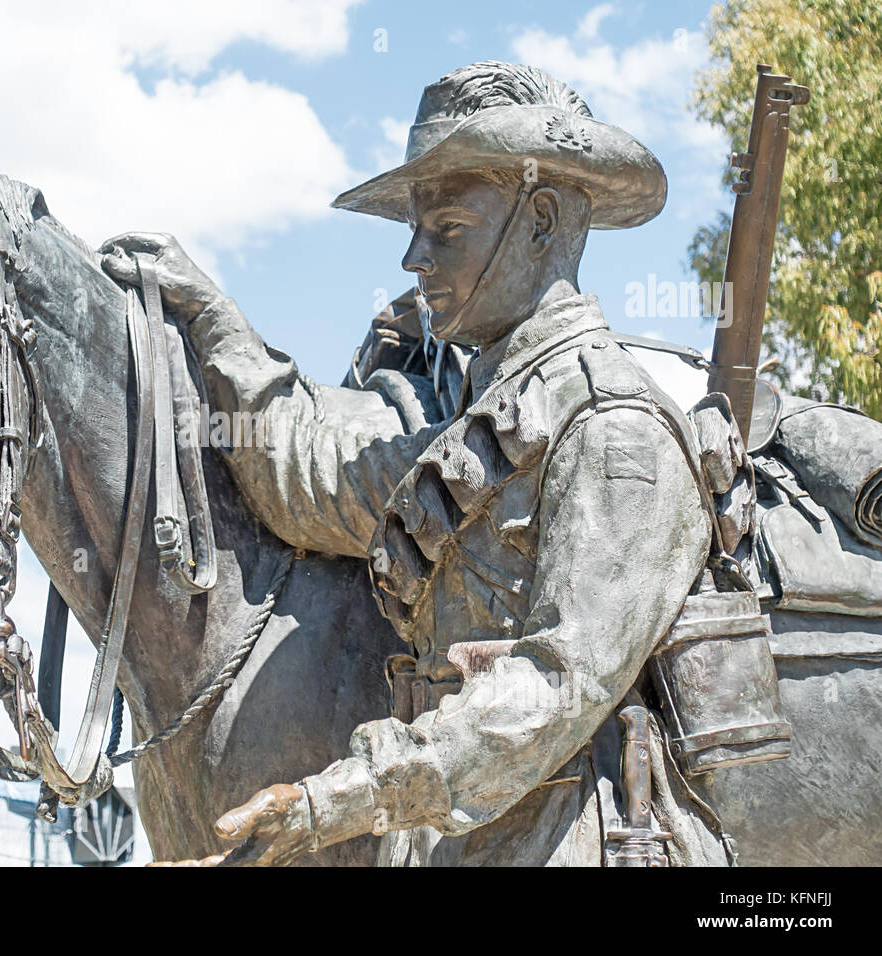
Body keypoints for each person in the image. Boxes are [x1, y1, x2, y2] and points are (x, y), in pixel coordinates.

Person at [101, 62, 734, 866]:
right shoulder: (480, 427)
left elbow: (551, 689)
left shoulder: (615, 429)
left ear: (541, 221)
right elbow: (308, 475)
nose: (412, 259)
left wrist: (328, 801)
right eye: (414, 229)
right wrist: (214, 319)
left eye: (448, 230)